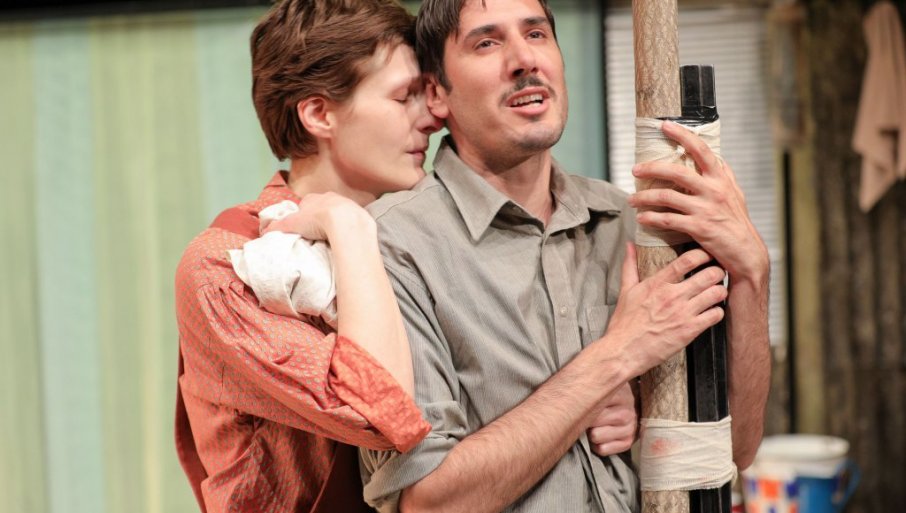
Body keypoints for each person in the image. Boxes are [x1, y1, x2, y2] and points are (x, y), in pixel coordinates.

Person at [357, 0, 772, 511]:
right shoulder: (392, 245)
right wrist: (616, 357)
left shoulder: (631, 222)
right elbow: (427, 502)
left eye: (536, 34)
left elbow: (731, 450)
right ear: (436, 93)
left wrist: (752, 273)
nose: (523, 60)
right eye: (486, 43)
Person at [172, 0, 443, 511]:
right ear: (319, 114)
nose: (431, 117)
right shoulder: (225, 266)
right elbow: (379, 411)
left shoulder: (419, 239)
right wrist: (347, 225)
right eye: (404, 96)